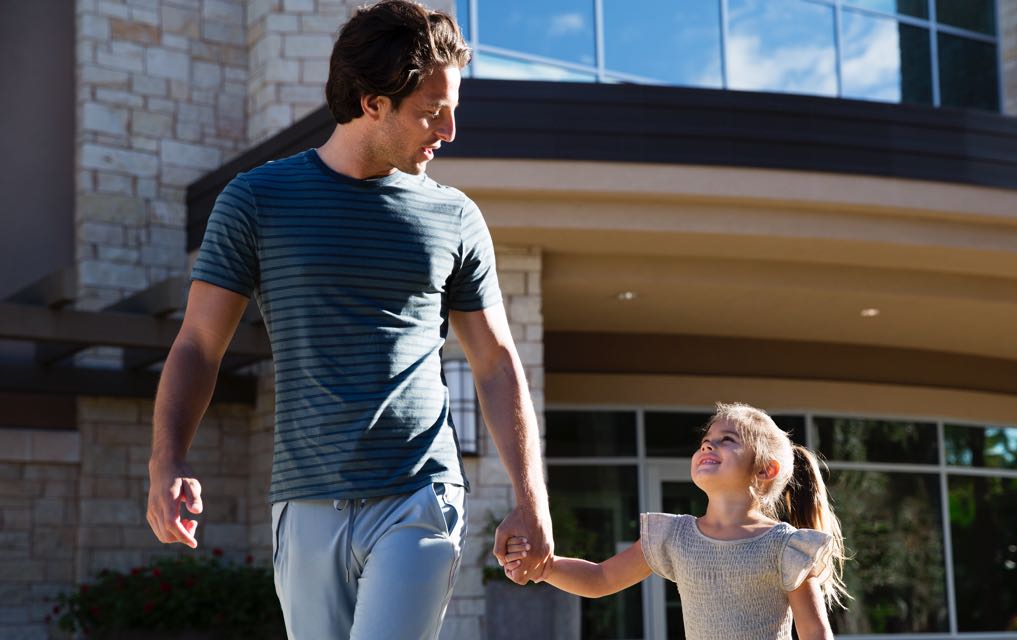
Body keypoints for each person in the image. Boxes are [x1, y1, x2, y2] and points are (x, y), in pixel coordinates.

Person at [145, 1, 553, 637]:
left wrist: (532, 501)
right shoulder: (257, 201)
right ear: (370, 103)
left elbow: (497, 362)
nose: (448, 129)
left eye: (453, 108)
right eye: (429, 111)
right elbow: (198, 345)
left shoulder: (456, 217)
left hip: (420, 492)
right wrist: (165, 463)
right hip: (305, 501)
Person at [504, 402, 848, 640]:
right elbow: (600, 578)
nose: (708, 447)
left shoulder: (784, 546)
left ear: (765, 469)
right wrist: (545, 567)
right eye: (705, 442)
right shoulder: (675, 536)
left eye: (726, 441)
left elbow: (815, 631)